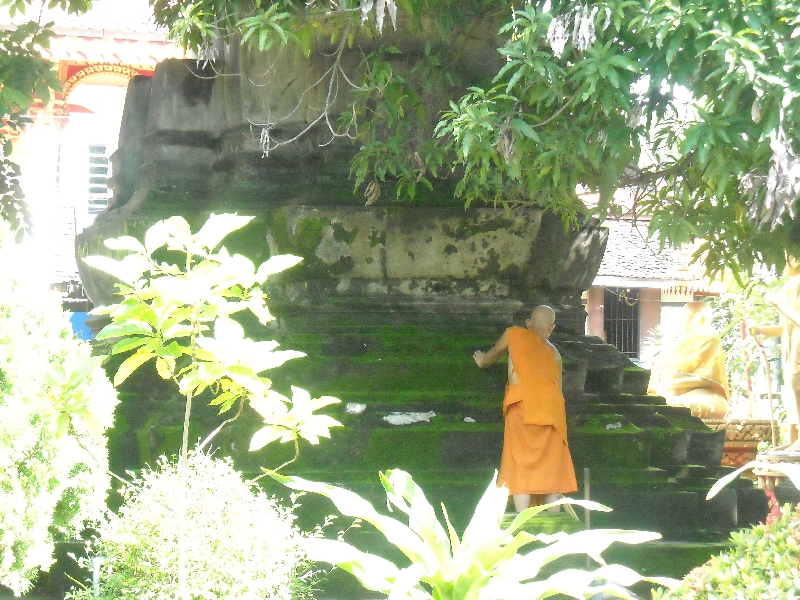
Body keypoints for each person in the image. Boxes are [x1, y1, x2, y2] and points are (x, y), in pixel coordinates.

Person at [473, 305, 577, 513]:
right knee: (550, 467)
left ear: (528, 324)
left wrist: (482, 360)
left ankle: (523, 518)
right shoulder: (554, 352)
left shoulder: (514, 334)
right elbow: (558, 387)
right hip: (552, 411)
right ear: (551, 328)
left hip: (524, 406)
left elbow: (489, 358)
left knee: (520, 462)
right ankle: (553, 519)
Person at [748, 254, 800, 453]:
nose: (785, 263)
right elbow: (785, 327)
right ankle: (793, 436)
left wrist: (780, 305)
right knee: (791, 388)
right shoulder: (789, 286)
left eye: (789, 258)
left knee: (797, 385)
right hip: (790, 347)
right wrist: (761, 329)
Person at [647, 301, 730, 419]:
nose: (683, 323)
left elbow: (710, 379)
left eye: (687, 318)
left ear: (700, 318)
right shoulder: (674, 346)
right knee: (666, 407)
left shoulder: (710, 339)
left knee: (710, 405)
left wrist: (677, 382)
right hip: (669, 398)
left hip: (701, 394)